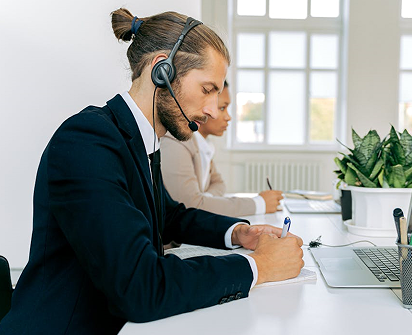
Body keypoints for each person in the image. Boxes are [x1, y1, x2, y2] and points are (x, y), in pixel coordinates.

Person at [0, 8, 304, 334]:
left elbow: (170, 216)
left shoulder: (139, 139)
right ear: (161, 70)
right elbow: (140, 287)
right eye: (207, 90)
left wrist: (239, 233)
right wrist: (258, 266)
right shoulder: (88, 142)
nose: (213, 110)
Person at [161, 81, 283, 217]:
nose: (228, 117)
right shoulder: (175, 143)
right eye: (222, 108)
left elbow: (218, 183)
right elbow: (191, 206)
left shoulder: (203, 144)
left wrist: (204, 199)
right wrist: (259, 204)